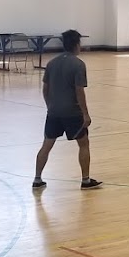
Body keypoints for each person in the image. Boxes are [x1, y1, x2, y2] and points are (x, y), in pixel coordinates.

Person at [33, 29, 101, 189]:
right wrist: (85, 113)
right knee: (83, 144)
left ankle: (37, 179)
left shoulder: (51, 63)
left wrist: (50, 106)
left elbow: (45, 89)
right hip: (72, 113)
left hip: (54, 113)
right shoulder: (78, 65)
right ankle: (85, 180)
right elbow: (79, 91)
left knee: (46, 145)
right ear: (77, 45)